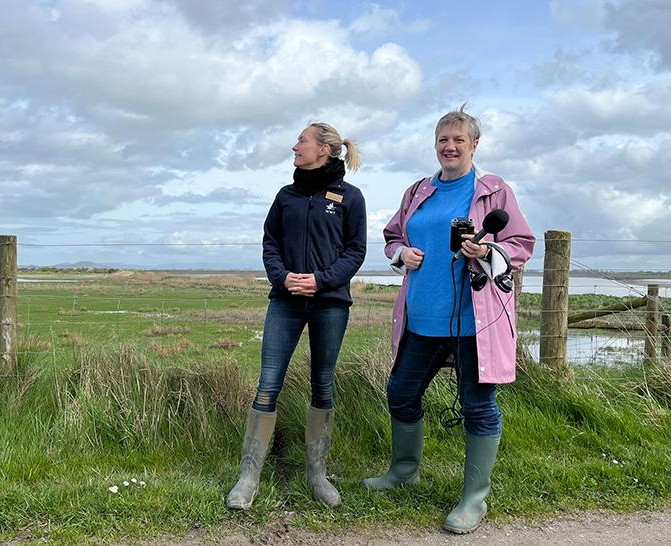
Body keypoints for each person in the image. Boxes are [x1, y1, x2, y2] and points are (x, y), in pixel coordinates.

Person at [362, 105, 535, 534]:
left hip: (475, 320)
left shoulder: (494, 190)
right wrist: (402, 254)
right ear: (435, 145)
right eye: (443, 139)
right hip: (422, 316)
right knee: (400, 392)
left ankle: (474, 500)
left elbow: (521, 242)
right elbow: (393, 236)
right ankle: (404, 471)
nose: (450, 146)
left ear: (475, 145)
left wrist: (488, 252)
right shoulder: (418, 190)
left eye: (459, 140)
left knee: (478, 406)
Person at [226, 123, 366, 510]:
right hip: (285, 300)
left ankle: (317, 475)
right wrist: (283, 277)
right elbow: (270, 242)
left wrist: (320, 282)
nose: (294, 146)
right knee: (268, 383)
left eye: (301, 141)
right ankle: (247, 477)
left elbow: (355, 251)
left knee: (323, 384)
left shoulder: (350, 197)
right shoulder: (285, 196)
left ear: (322, 149)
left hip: (330, 302)